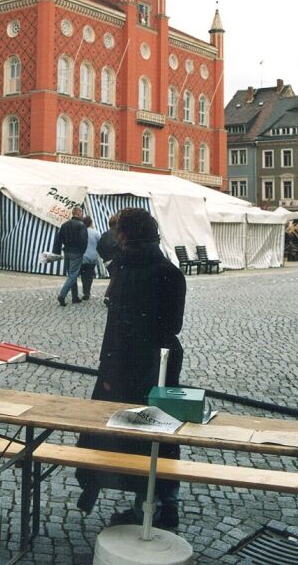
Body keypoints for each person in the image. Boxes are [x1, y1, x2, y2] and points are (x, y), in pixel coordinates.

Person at [75, 207, 186, 529]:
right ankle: (160, 503)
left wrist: (108, 372)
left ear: (127, 235)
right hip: (160, 362)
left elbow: (117, 328)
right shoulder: (169, 270)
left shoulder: (126, 270)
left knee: (126, 434)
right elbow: (173, 325)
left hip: (126, 363)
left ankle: (152, 506)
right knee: (159, 435)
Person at [53, 205, 88, 307]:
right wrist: (82, 251)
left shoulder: (64, 225)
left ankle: (75, 297)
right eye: (82, 213)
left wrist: (57, 252)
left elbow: (58, 239)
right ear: (79, 213)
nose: (82, 215)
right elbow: (83, 240)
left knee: (71, 274)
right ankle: (62, 295)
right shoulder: (81, 225)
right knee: (73, 275)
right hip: (76, 252)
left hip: (66, 251)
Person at [79, 216, 101, 300]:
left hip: (82, 257)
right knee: (89, 275)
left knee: (83, 275)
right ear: (91, 223)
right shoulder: (96, 233)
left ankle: (85, 291)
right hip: (92, 258)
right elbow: (100, 244)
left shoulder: (80, 232)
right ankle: (87, 291)